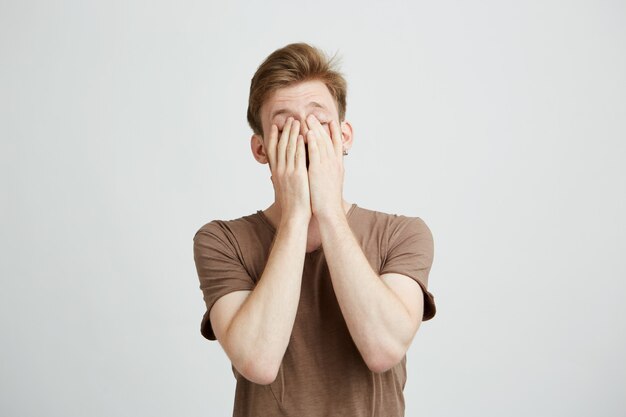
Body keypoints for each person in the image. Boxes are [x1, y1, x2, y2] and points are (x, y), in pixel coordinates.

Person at [193, 42, 436, 417]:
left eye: (319, 123)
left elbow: (383, 349)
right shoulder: (221, 241)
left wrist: (328, 211)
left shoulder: (402, 234)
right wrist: (294, 216)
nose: (304, 136)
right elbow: (258, 361)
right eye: (285, 125)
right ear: (260, 149)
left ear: (344, 136)